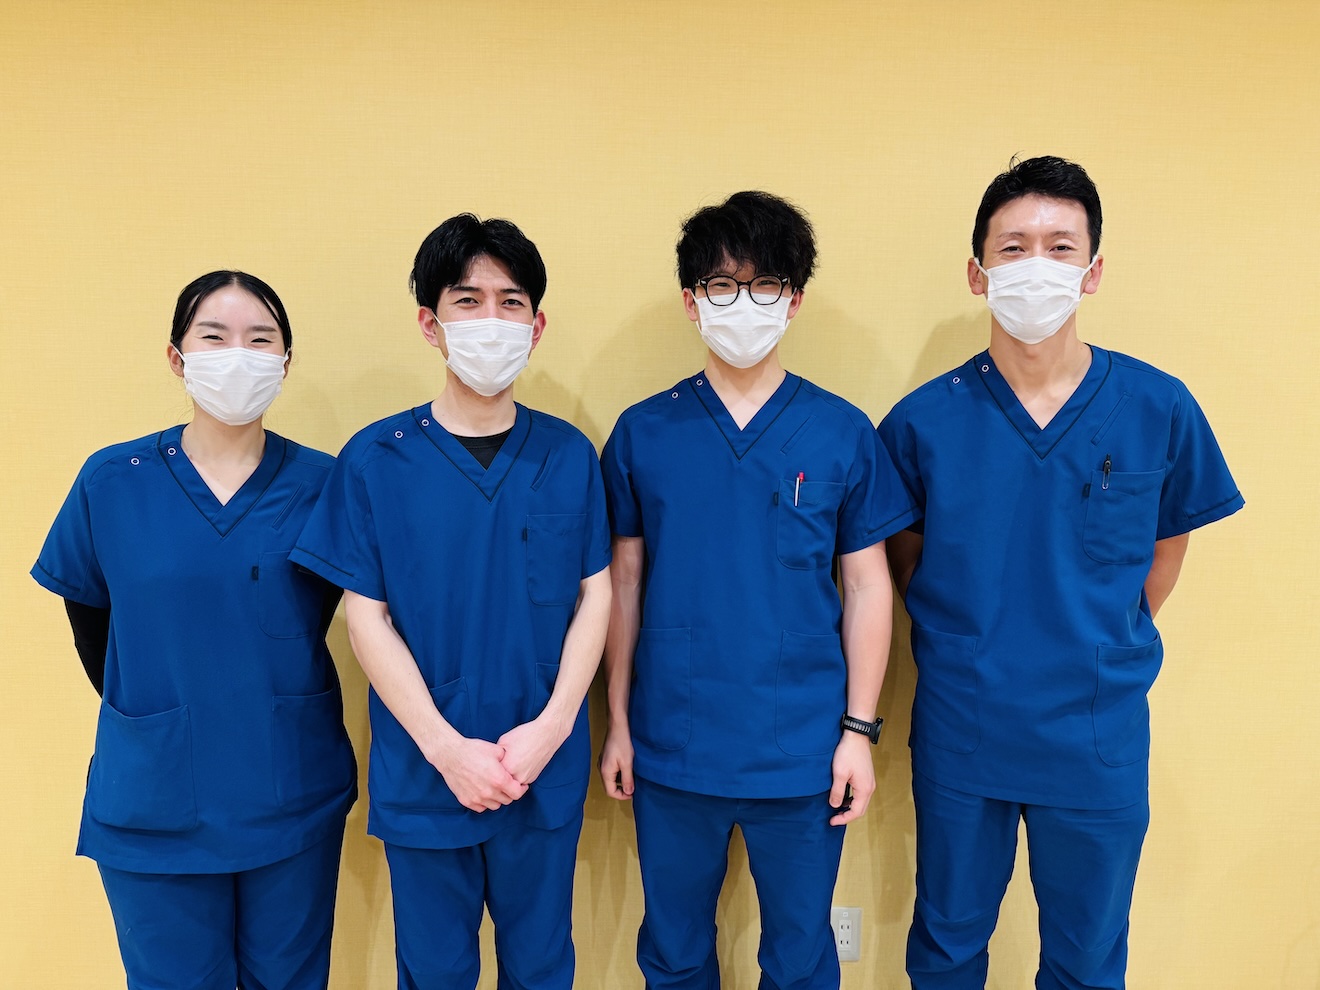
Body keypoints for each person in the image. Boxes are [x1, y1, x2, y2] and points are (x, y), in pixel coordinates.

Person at [877, 156, 1245, 989]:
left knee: (1087, 956)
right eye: (1013, 247)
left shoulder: (1158, 407)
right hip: (965, 728)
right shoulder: (923, 422)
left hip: (1095, 732)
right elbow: (907, 560)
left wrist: (1095, 640)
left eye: (1059, 246)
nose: (1035, 265)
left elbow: (1165, 552)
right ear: (977, 273)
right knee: (946, 947)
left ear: (1093, 270)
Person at [599, 190, 918, 989]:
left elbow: (868, 586)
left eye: (765, 284)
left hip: (803, 751)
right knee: (674, 951)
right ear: (691, 301)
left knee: (801, 955)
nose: (744, 303)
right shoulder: (644, 432)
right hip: (673, 745)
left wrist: (858, 733)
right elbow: (623, 585)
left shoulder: (842, 432)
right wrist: (619, 724)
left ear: (794, 299)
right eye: (722, 285)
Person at [290, 214, 611, 990]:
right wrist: (444, 749)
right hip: (426, 772)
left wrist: (552, 729)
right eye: (468, 301)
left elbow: (595, 595)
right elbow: (365, 616)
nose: (490, 320)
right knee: (434, 973)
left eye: (510, 302)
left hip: (540, 768)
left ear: (536, 326)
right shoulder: (375, 460)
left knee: (542, 969)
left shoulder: (568, 454)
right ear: (430, 324)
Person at [31, 271, 357, 990]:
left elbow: (343, 614)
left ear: (285, 361)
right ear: (177, 357)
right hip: (155, 805)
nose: (238, 354)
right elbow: (91, 621)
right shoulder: (112, 481)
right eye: (215, 336)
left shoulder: (325, 484)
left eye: (259, 339)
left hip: (290, 791)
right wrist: (160, 715)